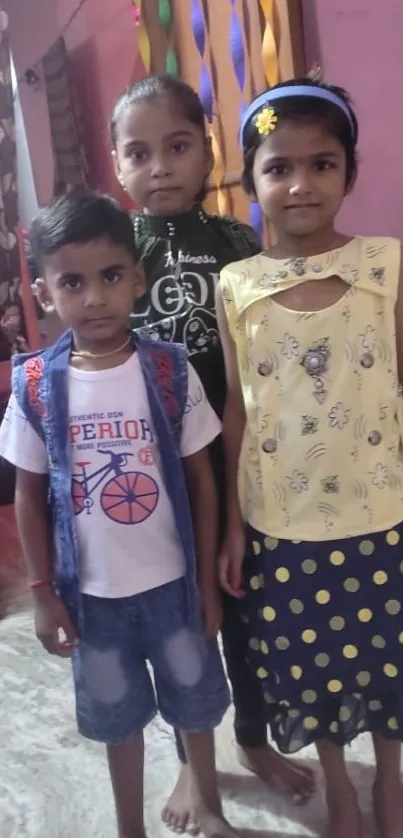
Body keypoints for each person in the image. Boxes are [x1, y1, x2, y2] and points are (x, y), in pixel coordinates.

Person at [110, 74, 314, 834]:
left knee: (249, 612)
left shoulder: (237, 244)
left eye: (177, 146)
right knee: (177, 622)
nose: (159, 165)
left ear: (207, 152)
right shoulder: (114, 252)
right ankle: (192, 765)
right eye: (139, 152)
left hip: (235, 457)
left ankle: (255, 742)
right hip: (152, 473)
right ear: (116, 162)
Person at [0, 188, 238, 838]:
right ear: (46, 294)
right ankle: (129, 827)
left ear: (136, 278)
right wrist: (44, 593)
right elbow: (27, 492)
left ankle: (209, 805)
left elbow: (201, 476)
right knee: (117, 722)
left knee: (195, 706)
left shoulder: (168, 371)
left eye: (110, 276)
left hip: (173, 591)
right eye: (72, 282)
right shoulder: (35, 387)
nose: (95, 296)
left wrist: (204, 583)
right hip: (92, 603)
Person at [217, 76, 403, 838]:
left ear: (349, 173)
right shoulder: (238, 285)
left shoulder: (385, 267)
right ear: (250, 180)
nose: (299, 183)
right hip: (282, 528)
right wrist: (233, 528)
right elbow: (236, 411)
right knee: (315, 671)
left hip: (380, 516)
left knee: (386, 665)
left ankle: (389, 789)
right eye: (277, 166)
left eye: (321, 163)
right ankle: (342, 791)